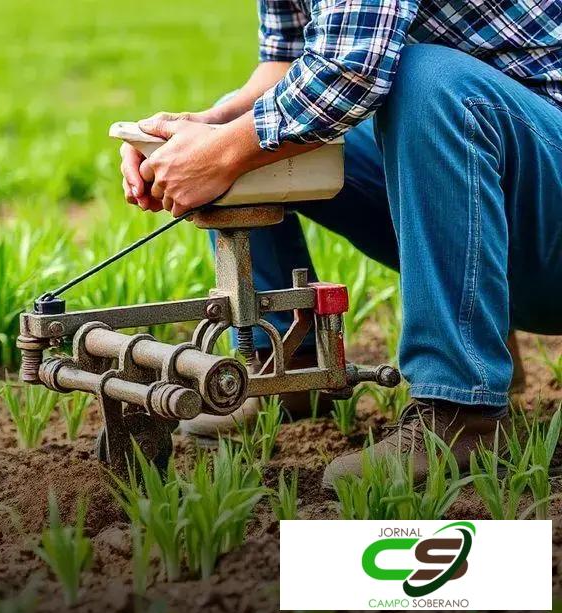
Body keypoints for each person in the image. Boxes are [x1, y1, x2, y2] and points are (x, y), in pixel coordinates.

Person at [118, 0, 562, 489]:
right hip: (503, 188)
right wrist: (199, 132)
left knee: (428, 80)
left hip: (546, 198)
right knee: (239, 134)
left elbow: (351, 75)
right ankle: (291, 364)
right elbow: (285, 66)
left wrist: (222, 151)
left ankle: (460, 408)